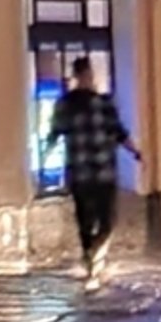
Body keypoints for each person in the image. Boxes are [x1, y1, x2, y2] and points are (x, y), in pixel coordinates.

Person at [45, 57, 142, 288]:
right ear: (86, 75)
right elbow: (119, 132)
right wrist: (137, 152)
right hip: (102, 172)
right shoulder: (102, 103)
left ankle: (91, 259)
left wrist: (45, 160)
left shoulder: (65, 105)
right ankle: (95, 258)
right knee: (106, 221)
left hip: (79, 173)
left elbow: (54, 134)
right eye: (89, 74)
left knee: (86, 221)